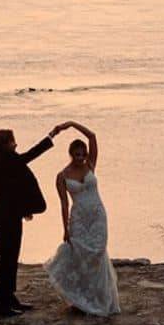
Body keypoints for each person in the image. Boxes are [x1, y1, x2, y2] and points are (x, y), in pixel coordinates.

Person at [0, 123, 68, 317]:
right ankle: (0, 303)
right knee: (8, 260)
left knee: (10, 259)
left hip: (4, 217)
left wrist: (23, 209)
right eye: (12, 141)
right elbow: (31, 155)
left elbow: (10, 191)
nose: (15, 144)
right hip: (6, 219)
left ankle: (9, 298)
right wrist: (51, 135)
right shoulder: (7, 161)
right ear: (4, 145)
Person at [43, 120, 120, 315]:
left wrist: (70, 124)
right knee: (80, 256)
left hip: (97, 215)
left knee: (97, 253)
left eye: (83, 154)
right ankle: (81, 298)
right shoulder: (62, 176)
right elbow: (64, 203)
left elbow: (92, 136)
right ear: (71, 154)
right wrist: (65, 228)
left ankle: (100, 298)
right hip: (78, 218)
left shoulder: (90, 165)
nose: (81, 157)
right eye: (77, 154)